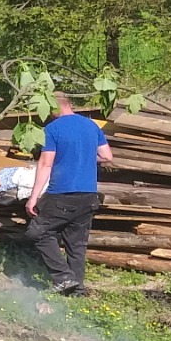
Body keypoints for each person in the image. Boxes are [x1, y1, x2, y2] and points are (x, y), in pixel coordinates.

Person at [25, 95, 112, 296]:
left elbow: (45, 164)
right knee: (76, 244)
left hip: (62, 193)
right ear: (69, 104)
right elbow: (107, 156)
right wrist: (83, 158)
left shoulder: (53, 129)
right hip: (89, 195)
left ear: (52, 107)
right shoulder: (91, 126)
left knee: (37, 232)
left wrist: (33, 197)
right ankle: (77, 290)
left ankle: (64, 278)